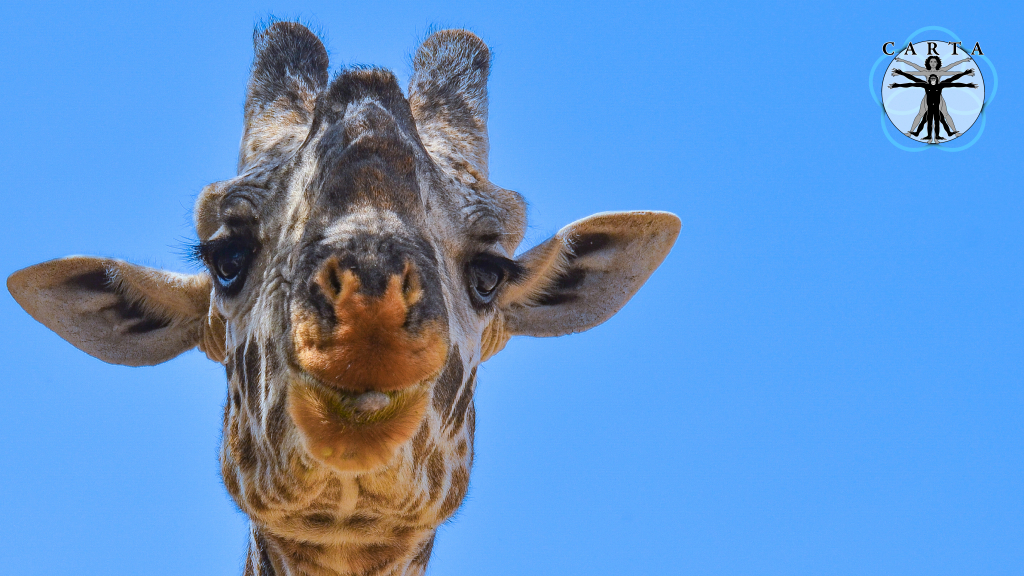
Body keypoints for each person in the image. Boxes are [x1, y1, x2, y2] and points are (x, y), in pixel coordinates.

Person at [892, 55, 973, 136]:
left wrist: (964, 62)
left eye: (935, 61)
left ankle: (956, 132)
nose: (933, 63)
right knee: (920, 114)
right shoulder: (925, 71)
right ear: (928, 63)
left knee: (945, 114)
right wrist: (901, 63)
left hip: (938, 96)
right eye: (931, 61)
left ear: (937, 63)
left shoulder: (941, 71)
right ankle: (910, 132)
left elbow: (952, 70)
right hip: (928, 96)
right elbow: (913, 70)